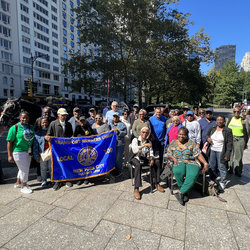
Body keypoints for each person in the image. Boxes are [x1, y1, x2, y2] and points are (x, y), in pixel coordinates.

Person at [167, 127, 209, 205]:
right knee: (178, 171)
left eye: (183, 135)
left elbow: (198, 154)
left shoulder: (191, 143)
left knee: (193, 175)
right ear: (177, 134)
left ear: (186, 135)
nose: (181, 136)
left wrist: (205, 163)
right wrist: (173, 158)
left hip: (191, 161)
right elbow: (169, 153)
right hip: (178, 160)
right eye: (180, 134)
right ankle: (184, 192)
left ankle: (181, 192)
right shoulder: (173, 142)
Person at [131, 127, 164, 200]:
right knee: (138, 165)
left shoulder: (149, 141)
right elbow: (134, 150)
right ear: (140, 132)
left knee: (157, 162)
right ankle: (136, 188)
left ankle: (157, 183)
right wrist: (144, 146)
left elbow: (151, 152)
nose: (145, 134)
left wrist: (152, 158)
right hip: (136, 157)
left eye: (146, 133)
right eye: (143, 132)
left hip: (145, 158)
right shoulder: (135, 139)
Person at [7, 111, 35, 194]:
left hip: (28, 151)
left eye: (26, 117)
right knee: (25, 169)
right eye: (23, 117)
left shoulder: (30, 127)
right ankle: (24, 186)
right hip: (18, 152)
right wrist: (9, 155)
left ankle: (18, 182)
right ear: (20, 118)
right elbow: (9, 142)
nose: (25, 119)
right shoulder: (14, 127)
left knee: (22, 168)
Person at [45, 108, 73, 191]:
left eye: (65, 115)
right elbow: (48, 135)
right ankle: (57, 181)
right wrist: (48, 138)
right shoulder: (53, 124)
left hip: (66, 149)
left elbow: (71, 135)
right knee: (57, 165)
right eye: (62, 115)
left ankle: (67, 179)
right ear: (58, 115)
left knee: (66, 163)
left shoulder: (68, 124)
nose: (64, 116)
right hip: (56, 149)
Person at [206, 115, 233, 191]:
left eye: (221, 120)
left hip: (221, 151)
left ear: (224, 121)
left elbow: (229, 144)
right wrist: (208, 138)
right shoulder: (213, 128)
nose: (219, 121)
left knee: (222, 167)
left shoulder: (228, 130)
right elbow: (207, 135)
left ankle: (222, 182)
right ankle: (213, 179)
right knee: (212, 166)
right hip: (212, 150)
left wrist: (227, 154)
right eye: (218, 120)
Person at [33, 106, 55, 182]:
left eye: (48, 112)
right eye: (45, 112)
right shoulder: (38, 120)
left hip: (50, 147)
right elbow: (35, 130)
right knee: (41, 165)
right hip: (41, 146)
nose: (47, 114)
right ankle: (41, 176)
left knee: (50, 165)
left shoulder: (53, 119)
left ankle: (51, 178)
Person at [226, 107, 249, 177]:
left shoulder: (243, 120)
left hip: (240, 140)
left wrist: (245, 142)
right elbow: (226, 128)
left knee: (238, 157)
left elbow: (247, 132)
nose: (236, 113)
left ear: (240, 112)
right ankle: (229, 169)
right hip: (230, 139)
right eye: (235, 111)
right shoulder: (230, 119)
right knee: (229, 155)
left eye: (238, 112)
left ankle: (238, 170)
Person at [33, 117, 51, 188]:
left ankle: (52, 180)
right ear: (40, 124)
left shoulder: (51, 131)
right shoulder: (37, 133)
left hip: (51, 153)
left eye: (46, 122)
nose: (44, 124)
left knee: (50, 167)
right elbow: (35, 146)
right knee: (43, 168)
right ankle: (44, 181)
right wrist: (36, 156)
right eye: (43, 123)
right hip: (42, 153)